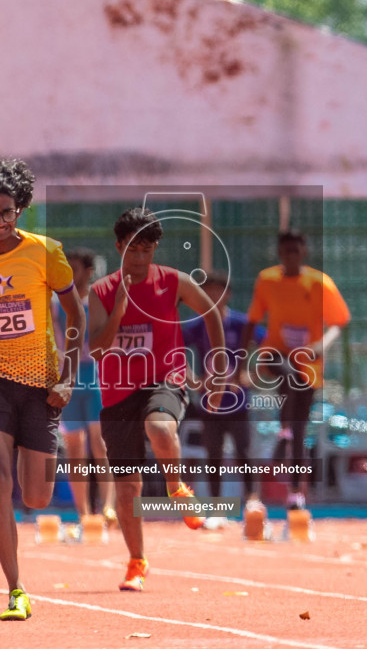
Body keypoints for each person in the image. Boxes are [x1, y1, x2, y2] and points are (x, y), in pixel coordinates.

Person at [0, 156, 84, 621]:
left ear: (20, 207)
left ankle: (42, 449)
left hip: (41, 381)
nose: (0, 222)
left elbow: (77, 317)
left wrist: (67, 375)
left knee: (37, 496)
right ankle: (15, 589)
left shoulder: (46, 253)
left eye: (8, 212)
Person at [90, 208, 225, 592]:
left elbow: (212, 316)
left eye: (147, 250)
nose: (139, 258)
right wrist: (118, 307)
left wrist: (216, 373)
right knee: (128, 487)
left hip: (165, 380)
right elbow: (97, 349)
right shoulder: (100, 291)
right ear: (119, 247)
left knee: (159, 426)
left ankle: (177, 487)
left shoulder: (174, 282)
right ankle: (136, 561)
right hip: (117, 394)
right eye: (133, 250)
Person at [244, 229, 350, 516]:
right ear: (280, 253)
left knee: (301, 430)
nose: (291, 255)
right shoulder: (267, 280)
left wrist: (321, 344)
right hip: (274, 355)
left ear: (304, 252)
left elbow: (339, 321)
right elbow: (252, 320)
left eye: (296, 250)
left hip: (309, 362)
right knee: (288, 373)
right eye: (286, 250)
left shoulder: (319, 283)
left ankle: (295, 493)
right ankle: (284, 429)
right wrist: (242, 362)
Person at [182, 270, 261, 526]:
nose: (214, 295)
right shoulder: (196, 324)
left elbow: (270, 347)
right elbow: (173, 348)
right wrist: (195, 379)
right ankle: (217, 509)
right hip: (210, 402)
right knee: (213, 454)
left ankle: (252, 502)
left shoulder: (241, 324)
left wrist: (251, 374)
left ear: (228, 294)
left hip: (238, 401)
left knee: (243, 451)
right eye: (209, 290)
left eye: (219, 290)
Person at [55, 247, 116, 527]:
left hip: (97, 375)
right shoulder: (56, 304)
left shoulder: (101, 302)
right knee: (74, 447)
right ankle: (83, 514)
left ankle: (107, 508)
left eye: (75, 267)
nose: (70, 272)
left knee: (100, 442)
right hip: (68, 376)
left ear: (88, 271)